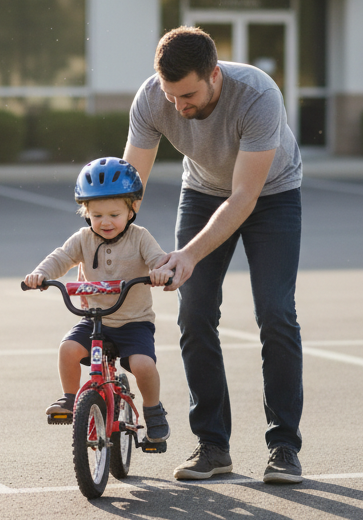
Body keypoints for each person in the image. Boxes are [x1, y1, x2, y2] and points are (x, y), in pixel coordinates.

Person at [125, 26, 304, 485]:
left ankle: (283, 446)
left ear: (214, 76)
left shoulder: (258, 95)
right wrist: (108, 242)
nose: (179, 107)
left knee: (276, 313)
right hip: (203, 191)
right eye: (171, 96)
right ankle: (212, 445)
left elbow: (245, 197)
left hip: (271, 196)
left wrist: (187, 254)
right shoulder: (152, 99)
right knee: (195, 313)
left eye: (188, 95)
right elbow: (131, 189)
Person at [23, 157, 171, 443]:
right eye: (97, 215)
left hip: (133, 322)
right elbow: (61, 258)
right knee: (67, 348)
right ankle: (69, 398)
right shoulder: (82, 239)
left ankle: (153, 410)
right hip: (94, 320)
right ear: (85, 211)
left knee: (143, 365)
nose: (105, 222)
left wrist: (161, 272)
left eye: (114, 214)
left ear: (132, 210)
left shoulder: (140, 238)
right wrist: (40, 274)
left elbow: (157, 260)